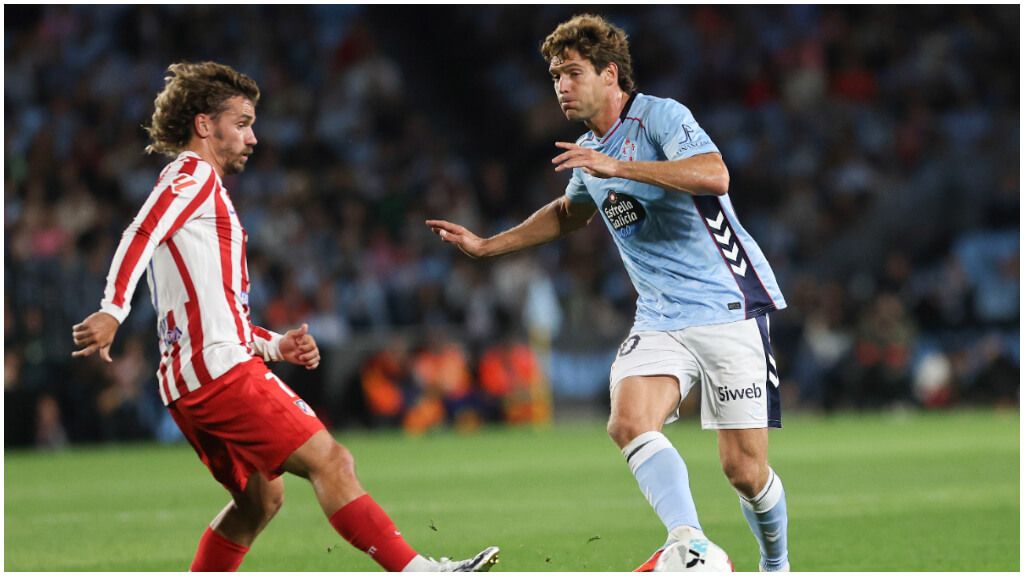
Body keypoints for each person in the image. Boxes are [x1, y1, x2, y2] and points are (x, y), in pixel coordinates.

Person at [72, 61, 499, 573]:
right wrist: (112, 310)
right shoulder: (192, 175)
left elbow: (214, 311)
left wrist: (275, 346)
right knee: (332, 460)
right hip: (219, 373)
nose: (253, 138)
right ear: (205, 125)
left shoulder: (200, 190)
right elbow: (139, 232)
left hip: (191, 381)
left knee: (260, 501)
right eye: (242, 123)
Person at [427, 14, 790, 572]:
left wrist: (617, 165)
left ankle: (776, 564)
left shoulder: (660, 117)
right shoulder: (589, 150)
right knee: (627, 422)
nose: (561, 86)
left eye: (573, 72)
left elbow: (714, 174)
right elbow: (570, 212)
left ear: (610, 74)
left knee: (744, 471)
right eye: (555, 76)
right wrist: (486, 246)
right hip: (661, 317)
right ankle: (689, 541)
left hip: (728, 305)